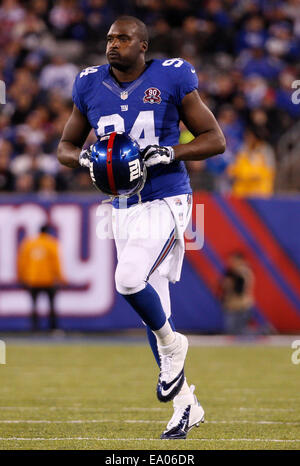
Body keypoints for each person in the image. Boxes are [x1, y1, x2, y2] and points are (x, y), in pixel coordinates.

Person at [58, 16, 225, 439]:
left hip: (166, 199)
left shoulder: (171, 78)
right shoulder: (89, 84)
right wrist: (84, 160)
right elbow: (65, 146)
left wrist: (168, 152)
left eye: (123, 38)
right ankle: (186, 403)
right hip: (120, 207)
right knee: (156, 310)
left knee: (129, 280)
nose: (113, 45)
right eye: (110, 38)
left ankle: (174, 345)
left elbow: (214, 138)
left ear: (143, 45)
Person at [17, 224, 65, 331]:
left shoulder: (30, 243)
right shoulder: (51, 243)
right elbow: (56, 263)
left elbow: (22, 262)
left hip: (33, 280)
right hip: (48, 280)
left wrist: (22, 276)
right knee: (51, 306)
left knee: (34, 306)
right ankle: (53, 328)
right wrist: (61, 278)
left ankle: (34, 328)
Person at [219, 252, 255, 335]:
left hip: (241, 306)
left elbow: (242, 289)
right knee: (232, 331)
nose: (232, 262)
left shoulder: (244, 272)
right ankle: (262, 331)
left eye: (234, 260)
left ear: (240, 261)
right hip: (231, 306)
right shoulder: (230, 272)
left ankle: (263, 332)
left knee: (240, 331)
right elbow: (225, 285)